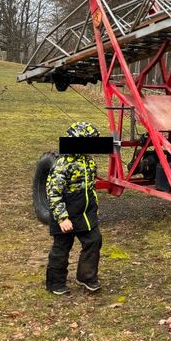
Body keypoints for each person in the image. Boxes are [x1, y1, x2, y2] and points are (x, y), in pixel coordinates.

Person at [45, 121, 103, 295]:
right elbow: (53, 192)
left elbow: (90, 188)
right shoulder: (62, 164)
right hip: (66, 213)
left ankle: (86, 276)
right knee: (62, 247)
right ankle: (55, 283)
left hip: (85, 213)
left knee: (94, 240)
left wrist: (94, 207)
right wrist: (62, 218)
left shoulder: (89, 162)